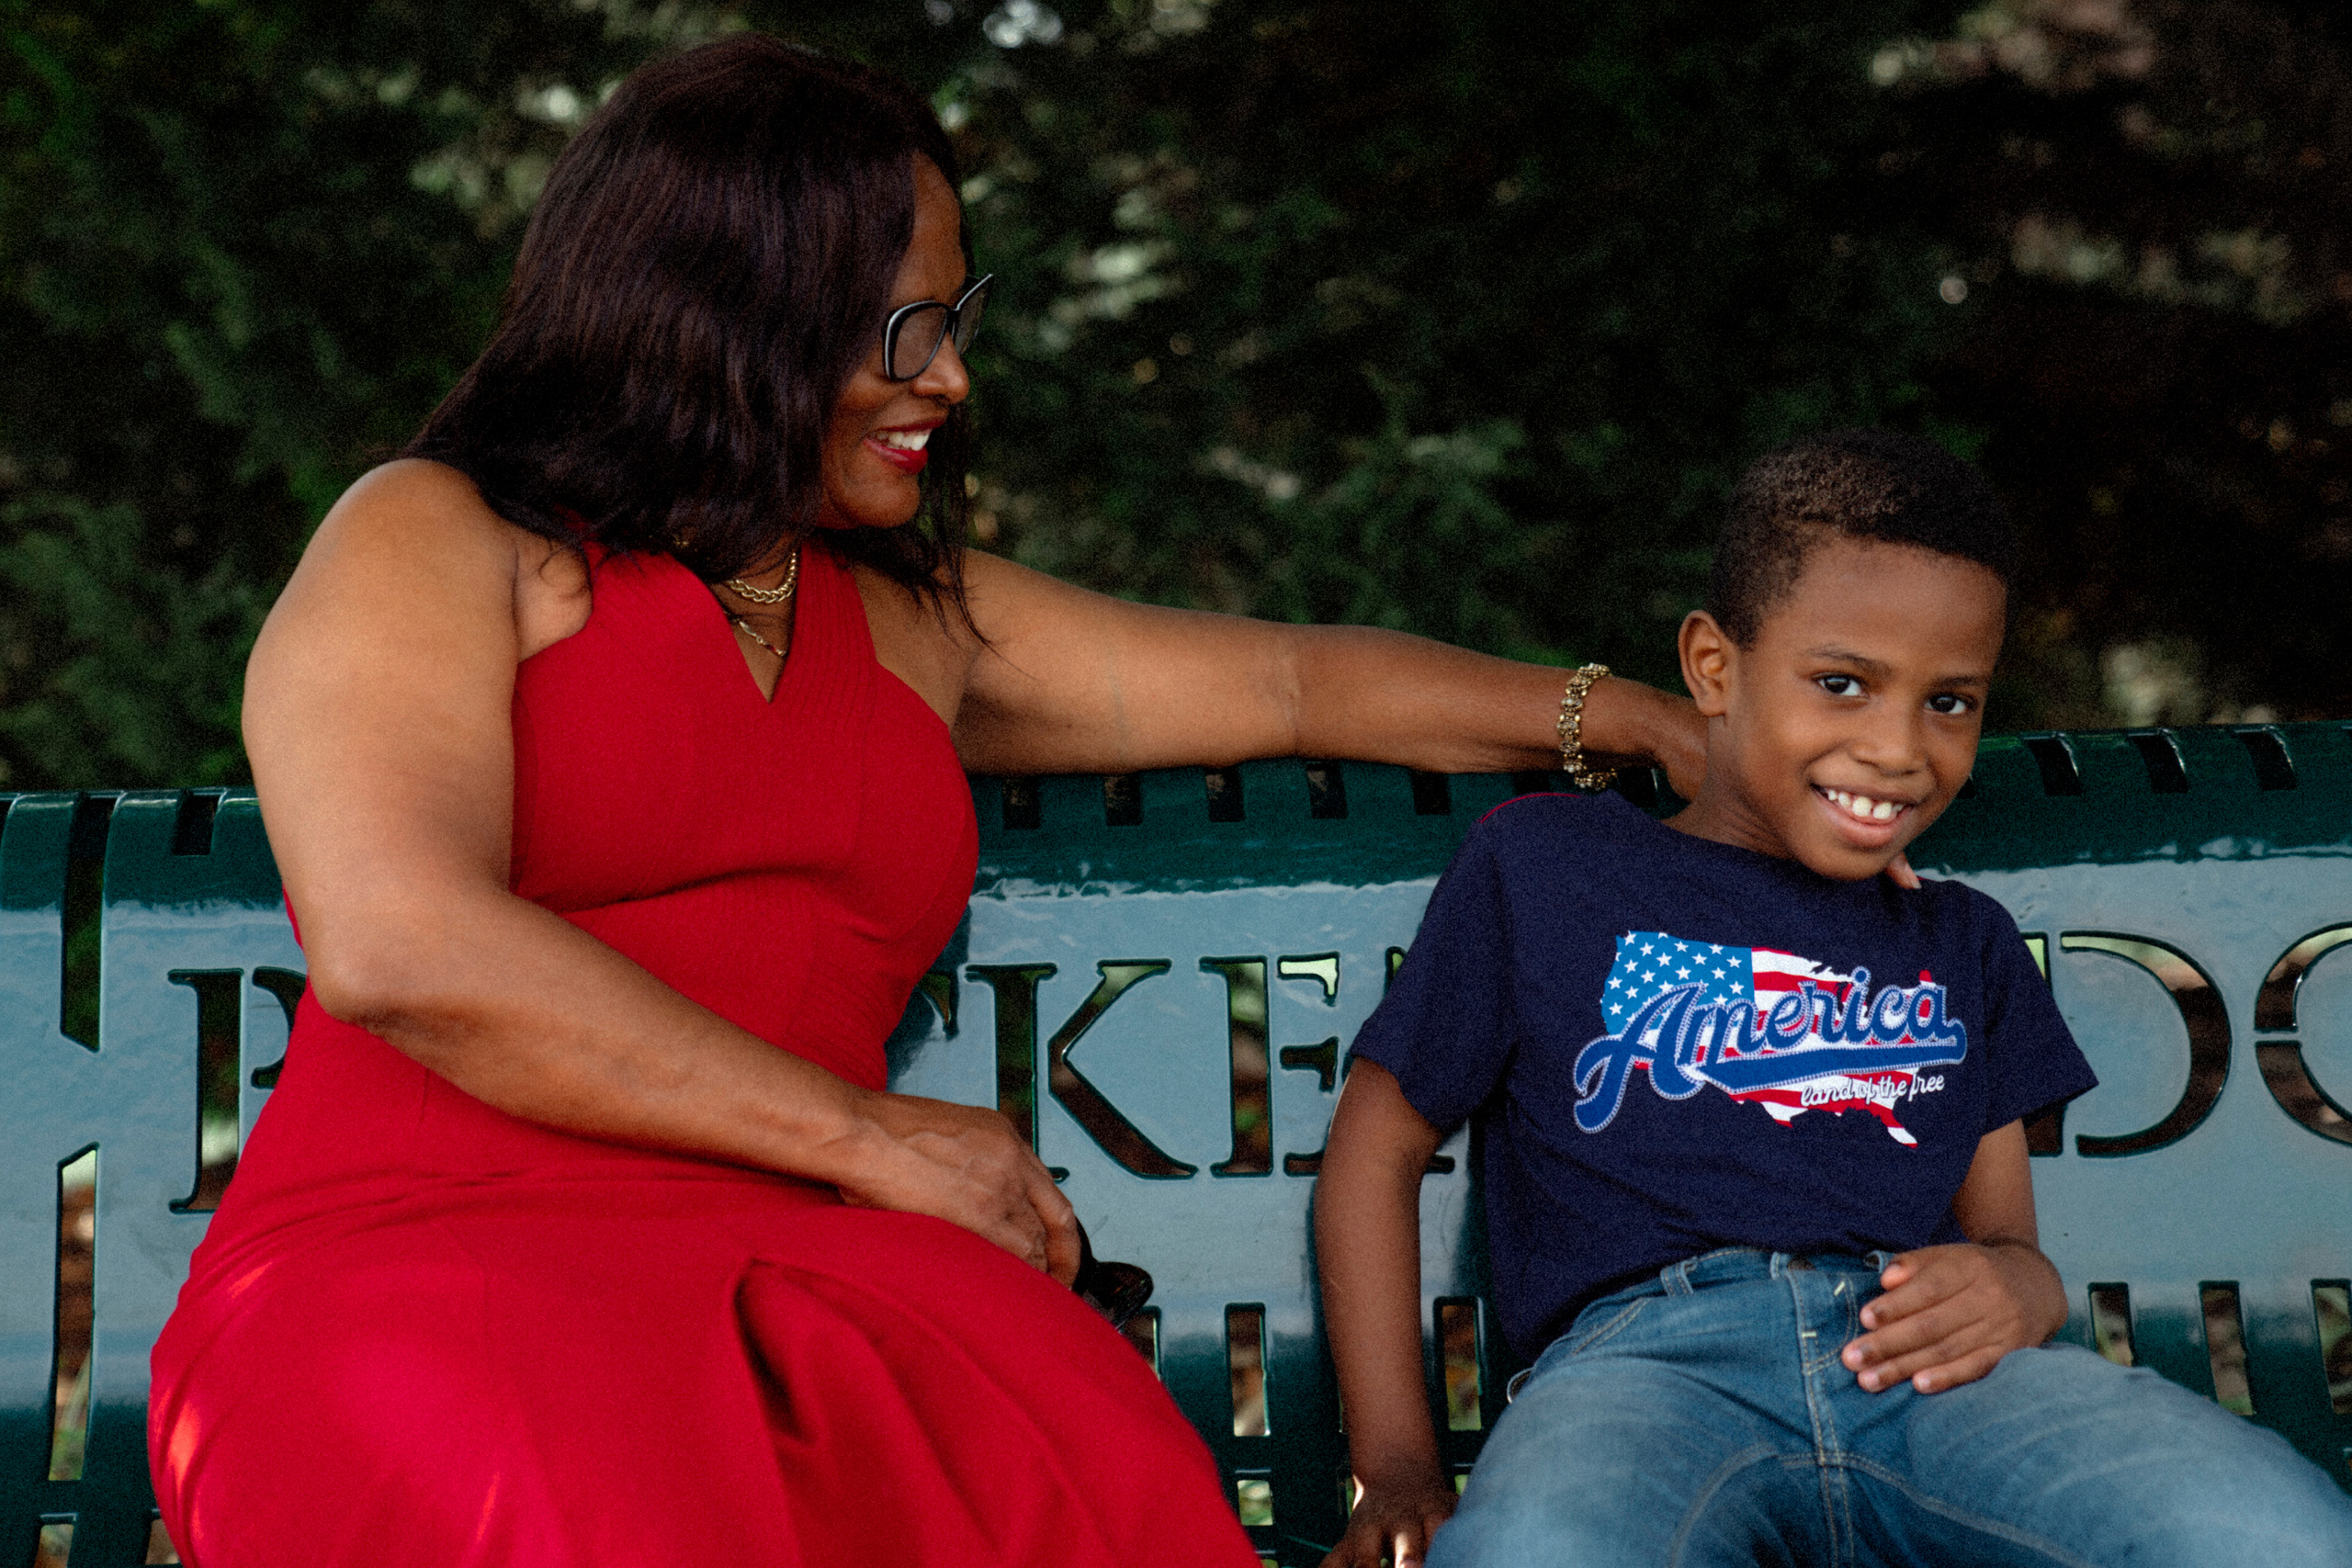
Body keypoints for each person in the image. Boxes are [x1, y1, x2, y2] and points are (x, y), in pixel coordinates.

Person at [142, 33, 1707, 1568]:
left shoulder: (914, 621)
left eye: (955, 320)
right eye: (902, 330)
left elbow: (1296, 684)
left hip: (813, 1273)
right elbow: (399, 939)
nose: (949, 376)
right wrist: (868, 1133)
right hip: (428, 1259)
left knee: (1082, 1468)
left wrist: (1622, 714)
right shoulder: (436, 535)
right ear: (726, 313)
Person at [1314, 429, 2352, 1568]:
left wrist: (2017, 1286)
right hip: (1641, 1378)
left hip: (1925, 1374)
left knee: (2271, 1535)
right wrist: (1397, 1467)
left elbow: (2007, 1240)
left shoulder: (1958, 938)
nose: (1898, 748)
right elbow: (1377, 1145)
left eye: (1948, 701)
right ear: (1713, 668)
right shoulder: (1546, 867)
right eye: (1841, 684)